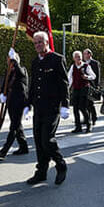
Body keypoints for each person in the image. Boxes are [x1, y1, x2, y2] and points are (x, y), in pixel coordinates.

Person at [23, 31, 69, 185]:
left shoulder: (57, 59)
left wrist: (65, 105)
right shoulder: (35, 62)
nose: (37, 45)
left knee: (47, 140)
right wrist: (28, 104)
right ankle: (41, 172)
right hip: (39, 108)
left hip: (52, 108)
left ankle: (60, 164)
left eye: (40, 42)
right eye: (35, 43)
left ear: (47, 42)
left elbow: (64, 84)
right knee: (38, 140)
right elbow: (34, 85)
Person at [0, 48, 29, 158]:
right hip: (10, 101)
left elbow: (20, 73)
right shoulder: (8, 71)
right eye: (8, 60)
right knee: (17, 124)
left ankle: (4, 150)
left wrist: (14, 60)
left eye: (10, 61)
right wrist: (2, 94)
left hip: (20, 102)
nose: (8, 62)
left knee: (13, 126)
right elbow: (5, 84)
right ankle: (23, 147)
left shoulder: (22, 70)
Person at [68, 51, 96, 133]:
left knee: (82, 107)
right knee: (75, 108)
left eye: (79, 56)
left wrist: (87, 77)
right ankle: (78, 127)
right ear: (74, 58)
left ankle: (88, 124)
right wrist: (68, 88)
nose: (78, 58)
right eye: (76, 56)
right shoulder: (72, 67)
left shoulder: (86, 66)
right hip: (76, 88)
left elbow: (93, 76)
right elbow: (69, 78)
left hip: (84, 88)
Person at [83, 48, 100, 125]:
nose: (84, 55)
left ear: (89, 55)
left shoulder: (95, 63)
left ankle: (94, 118)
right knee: (85, 103)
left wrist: (97, 86)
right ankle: (87, 118)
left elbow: (98, 75)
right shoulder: (83, 63)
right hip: (85, 86)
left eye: (85, 54)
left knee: (90, 103)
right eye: (83, 54)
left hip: (92, 86)